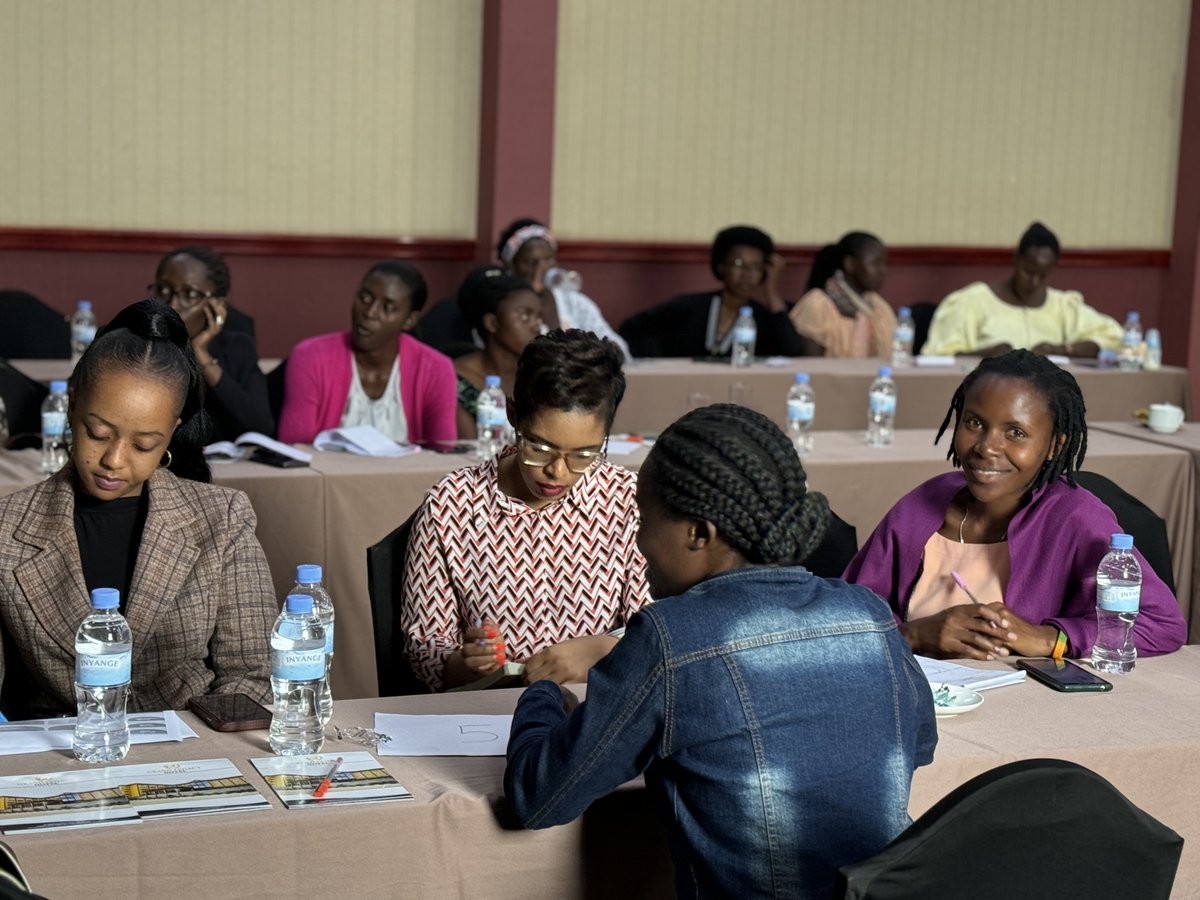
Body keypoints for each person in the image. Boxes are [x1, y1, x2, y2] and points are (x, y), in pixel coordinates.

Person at [504, 404, 937, 899]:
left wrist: (541, 695)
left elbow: (538, 797)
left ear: (698, 533)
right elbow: (919, 745)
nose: (639, 543)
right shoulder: (870, 614)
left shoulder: (670, 638)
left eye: (645, 520)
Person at [0, 300, 276, 719]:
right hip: (57, 755)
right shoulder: (7, 529)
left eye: (143, 444)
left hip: (192, 753)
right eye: (97, 433)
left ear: (172, 433)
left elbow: (252, 675)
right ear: (71, 407)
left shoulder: (221, 518)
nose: (114, 459)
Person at [843, 350, 1186, 660]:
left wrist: (1050, 639)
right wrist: (913, 635)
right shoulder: (920, 506)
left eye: (1015, 433)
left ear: (1054, 445)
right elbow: (844, 616)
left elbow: (1162, 624)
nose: (986, 447)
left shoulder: (1077, 518)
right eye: (974, 423)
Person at [401, 330, 650, 691]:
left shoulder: (627, 500)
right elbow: (425, 653)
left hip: (599, 710)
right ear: (513, 414)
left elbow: (658, 630)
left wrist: (603, 647)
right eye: (541, 448)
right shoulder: (452, 504)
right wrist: (467, 663)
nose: (558, 472)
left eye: (584, 454)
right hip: (488, 713)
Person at [277, 260, 456, 445]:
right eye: (365, 298)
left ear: (409, 320)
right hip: (327, 474)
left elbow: (442, 453)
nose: (370, 312)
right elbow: (294, 449)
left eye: (387, 307)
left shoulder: (436, 369)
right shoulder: (311, 357)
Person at [922, 223, 1123, 358]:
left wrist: (1062, 349)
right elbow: (937, 358)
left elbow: (1115, 338)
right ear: (1016, 259)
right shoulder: (972, 301)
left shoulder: (1063, 306)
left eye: (1043, 275)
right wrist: (987, 354)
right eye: (1028, 271)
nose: (1034, 282)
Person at [618, 225, 807, 358]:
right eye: (739, 264)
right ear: (722, 266)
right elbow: (629, 330)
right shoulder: (688, 306)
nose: (747, 274)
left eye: (755, 266)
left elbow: (792, 352)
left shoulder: (766, 318)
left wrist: (772, 291)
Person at [150, 246, 274, 441]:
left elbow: (260, 426)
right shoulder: (140, 343)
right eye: (163, 290)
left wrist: (201, 354)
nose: (172, 305)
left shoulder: (238, 348)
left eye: (189, 294)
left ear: (218, 305)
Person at [497, 218, 631, 359]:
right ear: (511, 266)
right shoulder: (507, 307)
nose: (542, 269)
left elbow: (619, 348)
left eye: (548, 260)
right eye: (531, 262)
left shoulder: (574, 302)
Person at [453, 266, 542, 438]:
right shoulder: (456, 382)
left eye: (539, 317)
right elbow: (469, 452)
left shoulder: (541, 375)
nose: (536, 326)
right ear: (492, 323)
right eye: (525, 316)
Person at [789, 231, 897, 358]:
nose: (883, 270)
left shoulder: (878, 306)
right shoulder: (818, 304)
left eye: (884, 264)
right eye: (875, 263)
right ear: (850, 264)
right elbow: (811, 367)